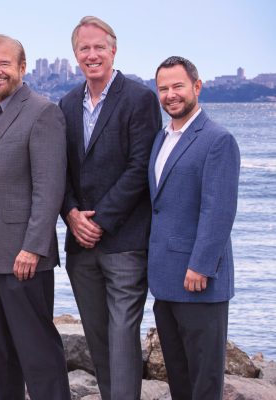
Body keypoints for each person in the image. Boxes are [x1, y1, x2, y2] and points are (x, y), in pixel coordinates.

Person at [0, 34, 70, 400]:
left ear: (22, 67)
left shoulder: (42, 112)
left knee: (38, 354)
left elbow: (49, 187)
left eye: (4, 63)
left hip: (24, 258)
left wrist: (34, 247)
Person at [59, 16, 161, 399]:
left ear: (113, 50)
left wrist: (99, 221)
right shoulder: (67, 104)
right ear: (75, 56)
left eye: (99, 47)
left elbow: (140, 168)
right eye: (84, 48)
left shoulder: (139, 98)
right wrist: (70, 214)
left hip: (124, 242)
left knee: (121, 335)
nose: (92, 54)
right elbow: (60, 169)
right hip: (80, 246)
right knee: (98, 339)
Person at [149, 56, 240, 400]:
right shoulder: (161, 139)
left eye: (178, 86)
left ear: (196, 87)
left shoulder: (218, 140)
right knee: (179, 380)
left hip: (198, 281)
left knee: (204, 383)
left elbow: (219, 209)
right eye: (163, 88)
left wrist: (201, 264)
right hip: (165, 280)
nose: (171, 94)